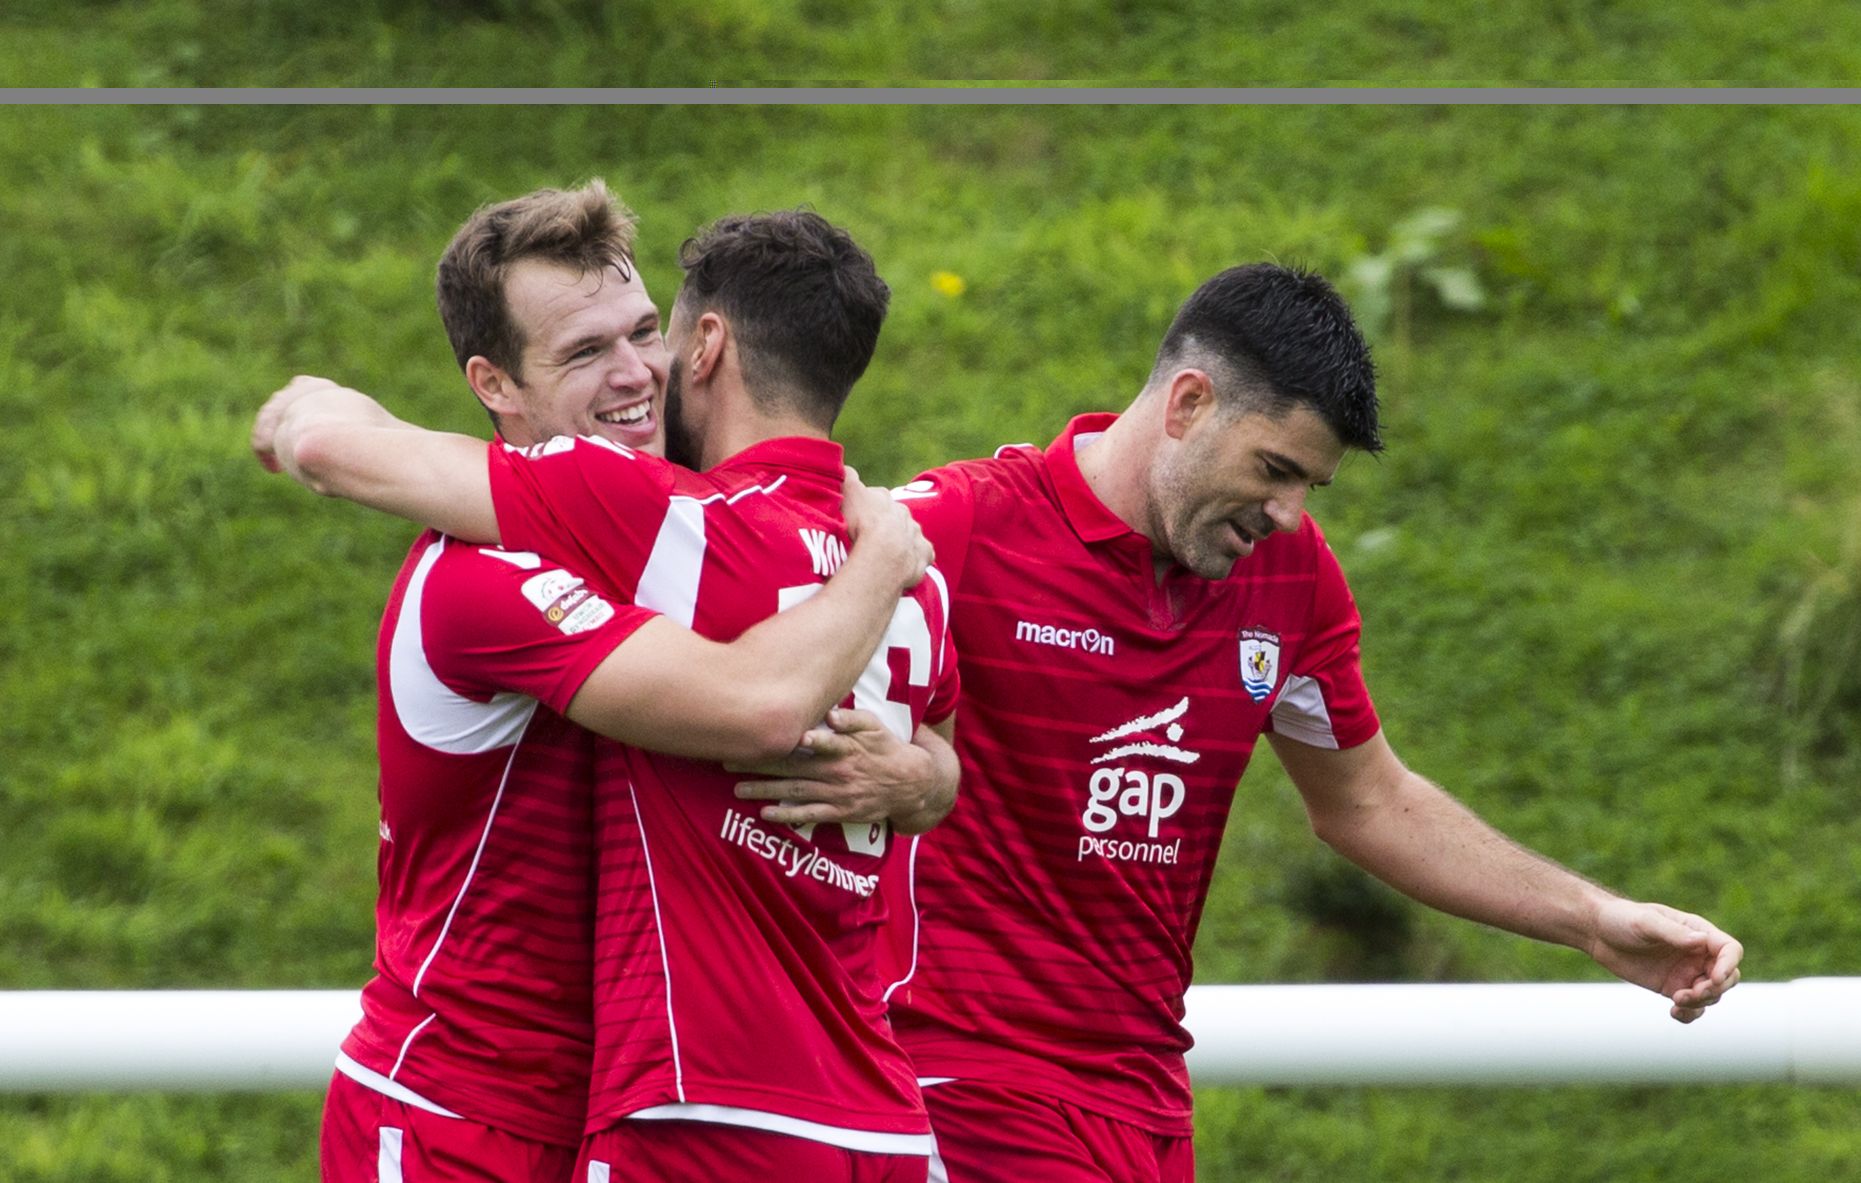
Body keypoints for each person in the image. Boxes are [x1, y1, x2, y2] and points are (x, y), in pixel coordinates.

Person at [872, 262, 1744, 1182]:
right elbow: (755, 650)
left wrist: (1597, 921)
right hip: (961, 1082)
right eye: (1275, 470)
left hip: (1147, 1097)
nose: (1287, 514)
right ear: (1188, 404)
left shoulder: (1288, 578)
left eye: (1309, 488)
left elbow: (1368, 800)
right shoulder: (953, 529)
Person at [253, 185, 950, 1183]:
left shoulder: (686, 532)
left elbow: (915, 736)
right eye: (585, 354)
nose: (635, 376)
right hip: (461, 1115)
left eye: (639, 335)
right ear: (493, 384)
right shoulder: (484, 576)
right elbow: (757, 702)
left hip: (622, 1123)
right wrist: (882, 563)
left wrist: (917, 779)